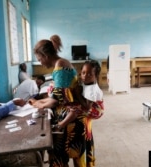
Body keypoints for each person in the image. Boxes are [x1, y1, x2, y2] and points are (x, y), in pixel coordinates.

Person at [29, 34, 95, 167]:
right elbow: (56, 96)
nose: (40, 62)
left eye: (39, 59)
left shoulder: (60, 66)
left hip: (71, 121)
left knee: (59, 159)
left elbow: (56, 101)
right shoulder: (59, 65)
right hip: (70, 118)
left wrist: (37, 104)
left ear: (45, 56)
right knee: (69, 159)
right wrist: (38, 103)